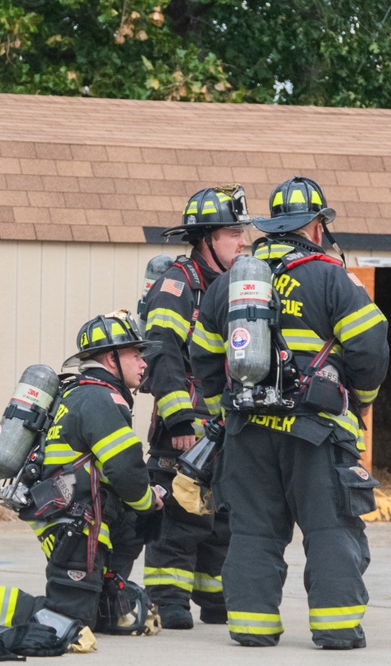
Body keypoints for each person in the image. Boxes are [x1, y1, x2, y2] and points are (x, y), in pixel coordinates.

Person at [190, 176, 389, 649]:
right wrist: (361, 398)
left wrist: (224, 413)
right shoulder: (331, 276)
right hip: (315, 431)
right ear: (316, 227)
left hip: (246, 431)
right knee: (329, 528)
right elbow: (371, 348)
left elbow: (201, 358)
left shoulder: (232, 284)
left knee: (253, 531)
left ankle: (252, 628)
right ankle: (337, 627)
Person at [140, 185, 249, 629]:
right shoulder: (177, 284)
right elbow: (160, 351)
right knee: (178, 520)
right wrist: (179, 417)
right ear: (206, 238)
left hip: (224, 424)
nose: (243, 242)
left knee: (220, 517)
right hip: (183, 426)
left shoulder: (235, 286)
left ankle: (216, 598)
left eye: (243, 233)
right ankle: (168, 600)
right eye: (232, 233)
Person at [16, 311, 163, 632]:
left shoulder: (77, 393)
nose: (143, 364)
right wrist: (149, 501)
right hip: (75, 524)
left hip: (68, 511)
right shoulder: (100, 398)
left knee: (91, 611)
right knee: (70, 621)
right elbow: (125, 466)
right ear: (111, 358)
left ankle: (106, 585)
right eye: (135, 355)